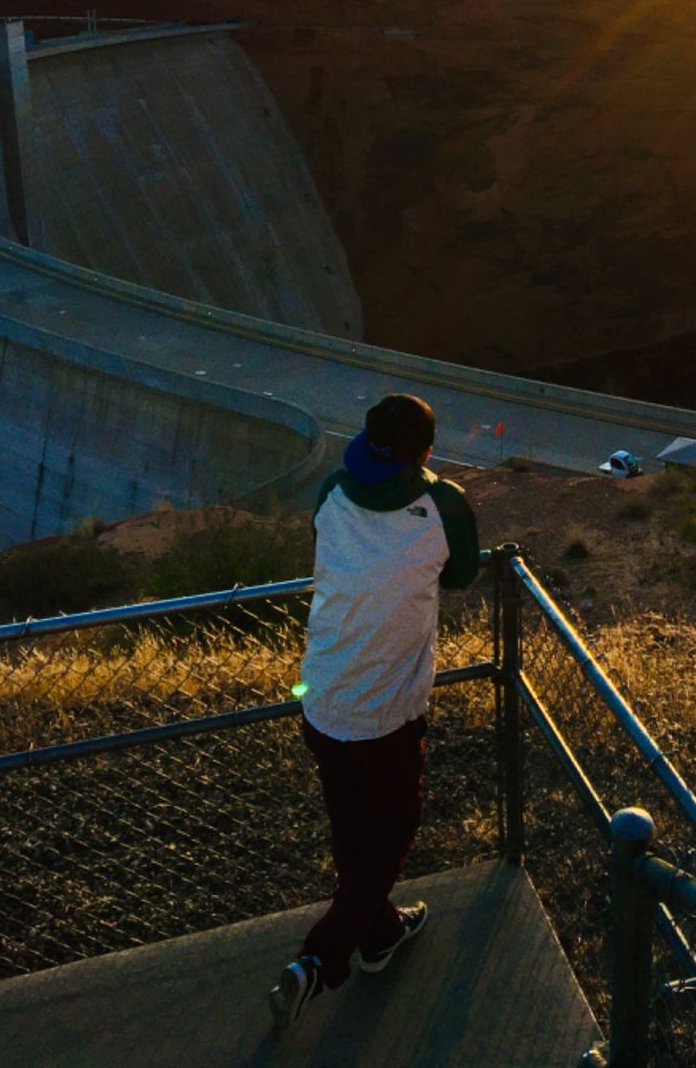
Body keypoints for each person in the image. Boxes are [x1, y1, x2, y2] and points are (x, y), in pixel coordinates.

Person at [268, 393, 480, 1030]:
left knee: (353, 826)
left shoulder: (332, 491)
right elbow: (463, 574)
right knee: (393, 829)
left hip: (323, 696)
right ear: (426, 451)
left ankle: (382, 932)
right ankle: (317, 961)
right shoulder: (442, 504)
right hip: (387, 713)